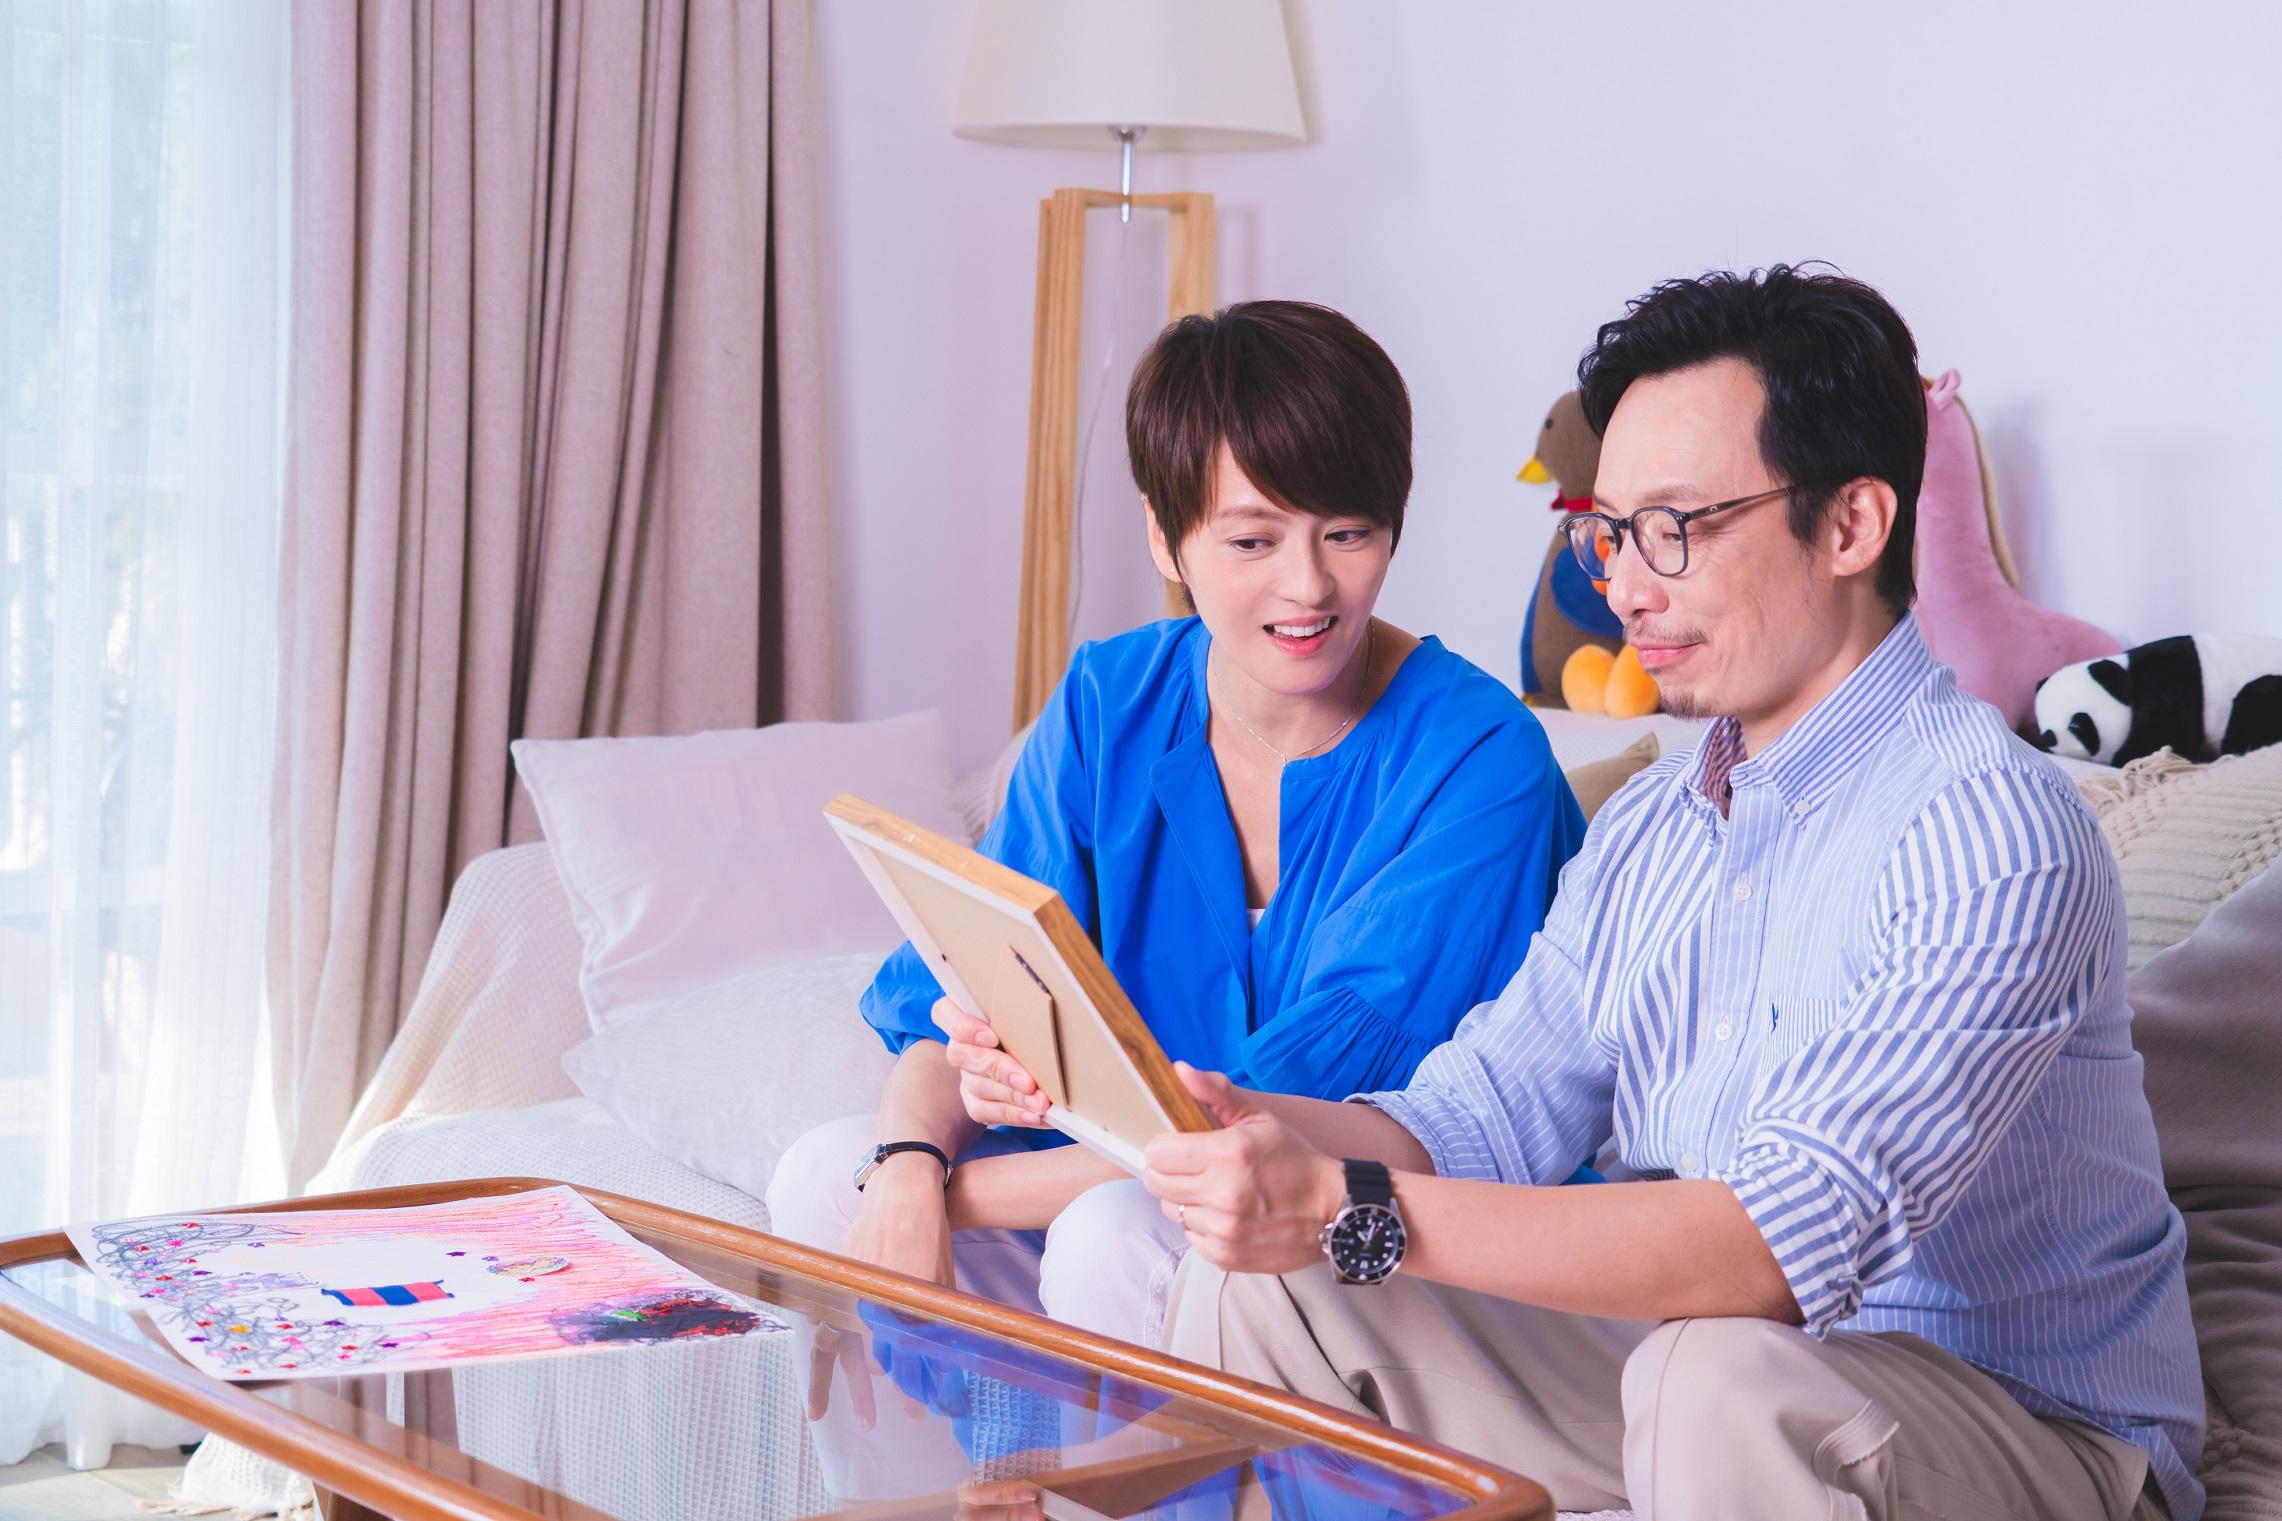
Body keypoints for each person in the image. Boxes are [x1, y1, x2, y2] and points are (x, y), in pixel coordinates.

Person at [1141, 268, 2205, 1521]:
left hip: (2029, 1431)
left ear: (1851, 524)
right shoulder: (1655, 824)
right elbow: (1473, 1117)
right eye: (1609, 532)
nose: (1623, 587)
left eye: (1675, 529)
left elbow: (1773, 1249)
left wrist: (1344, 1203)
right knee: (1269, 1280)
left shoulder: (1988, 831)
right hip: (1712, 1371)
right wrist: (1228, 1117)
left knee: (1716, 1377)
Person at [764, 300, 1585, 1490]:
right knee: (819, 1172)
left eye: (1347, 532)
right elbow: (952, 998)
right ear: (1165, 537)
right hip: (1120, 1181)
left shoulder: (1477, 761)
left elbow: (1273, 1128)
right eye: (1251, 540)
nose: (1307, 586)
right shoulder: (1110, 699)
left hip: (1335, 1224)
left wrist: (935, 1193)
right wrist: (901, 1159)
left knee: (1105, 1233)